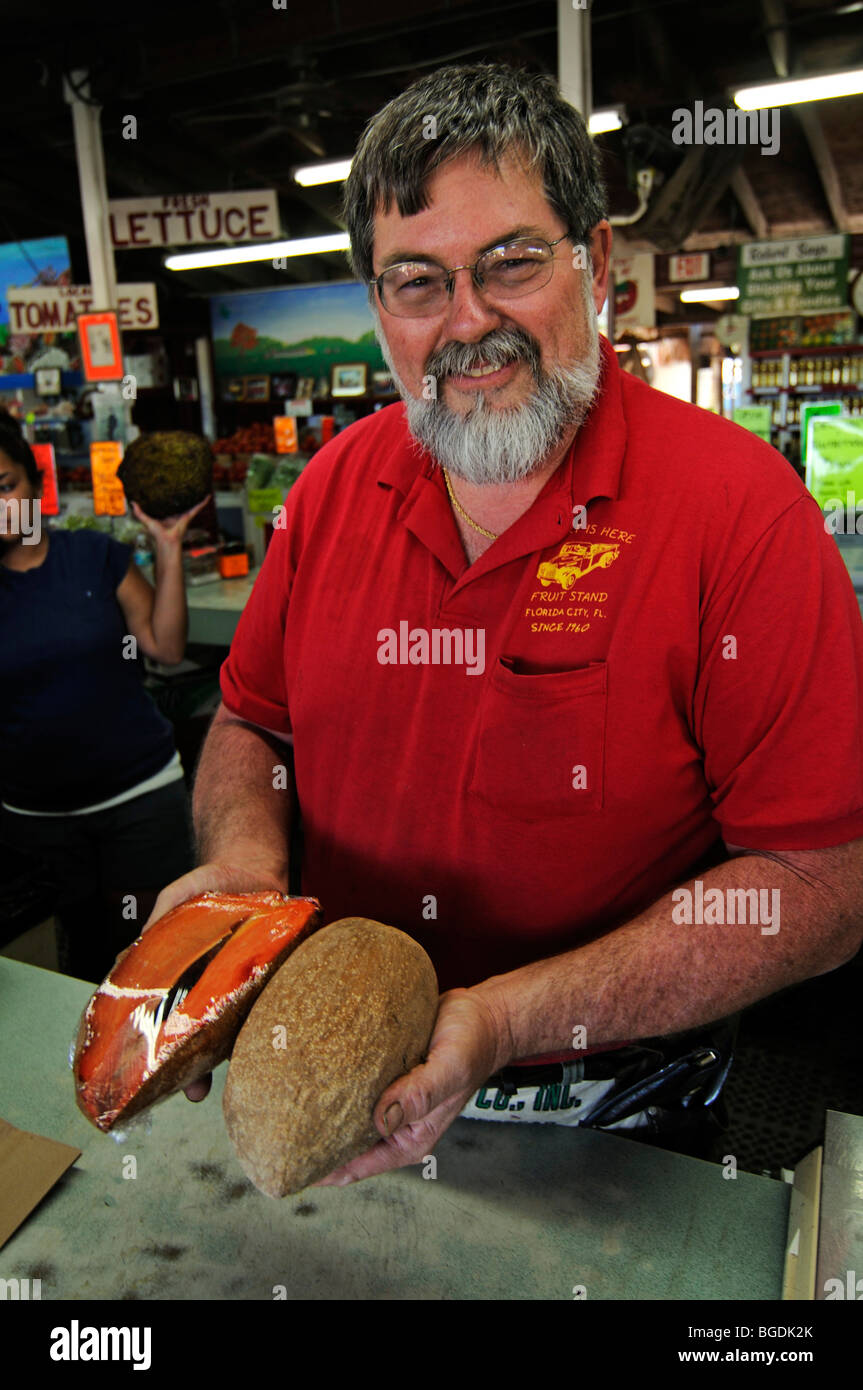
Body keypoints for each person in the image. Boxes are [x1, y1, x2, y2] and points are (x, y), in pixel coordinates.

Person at [147, 63, 863, 1179]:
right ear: (376, 304)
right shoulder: (331, 490)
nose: (468, 321)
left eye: (511, 262)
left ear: (598, 262)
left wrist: (505, 1018)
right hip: (332, 1080)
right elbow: (251, 725)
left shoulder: (742, 516)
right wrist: (245, 868)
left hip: (616, 1108)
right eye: (417, 282)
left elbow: (820, 885)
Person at [0, 418, 203, 981]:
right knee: (73, 969)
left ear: (35, 485)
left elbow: (165, 646)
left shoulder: (92, 556)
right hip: (35, 822)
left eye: (4, 486)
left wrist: (167, 545)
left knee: (159, 961)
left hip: (139, 801)